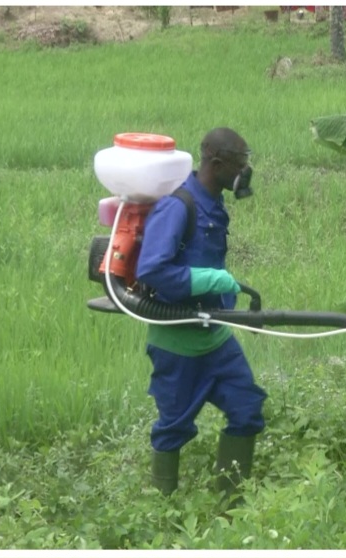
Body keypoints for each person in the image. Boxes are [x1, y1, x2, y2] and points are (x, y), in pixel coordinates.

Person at [135, 127, 266, 500]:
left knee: (247, 409)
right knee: (172, 428)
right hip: (177, 342)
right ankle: (164, 511)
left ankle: (231, 505)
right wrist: (209, 278)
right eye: (241, 164)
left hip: (216, 337)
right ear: (217, 163)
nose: (245, 172)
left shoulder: (214, 203)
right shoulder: (178, 207)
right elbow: (152, 270)